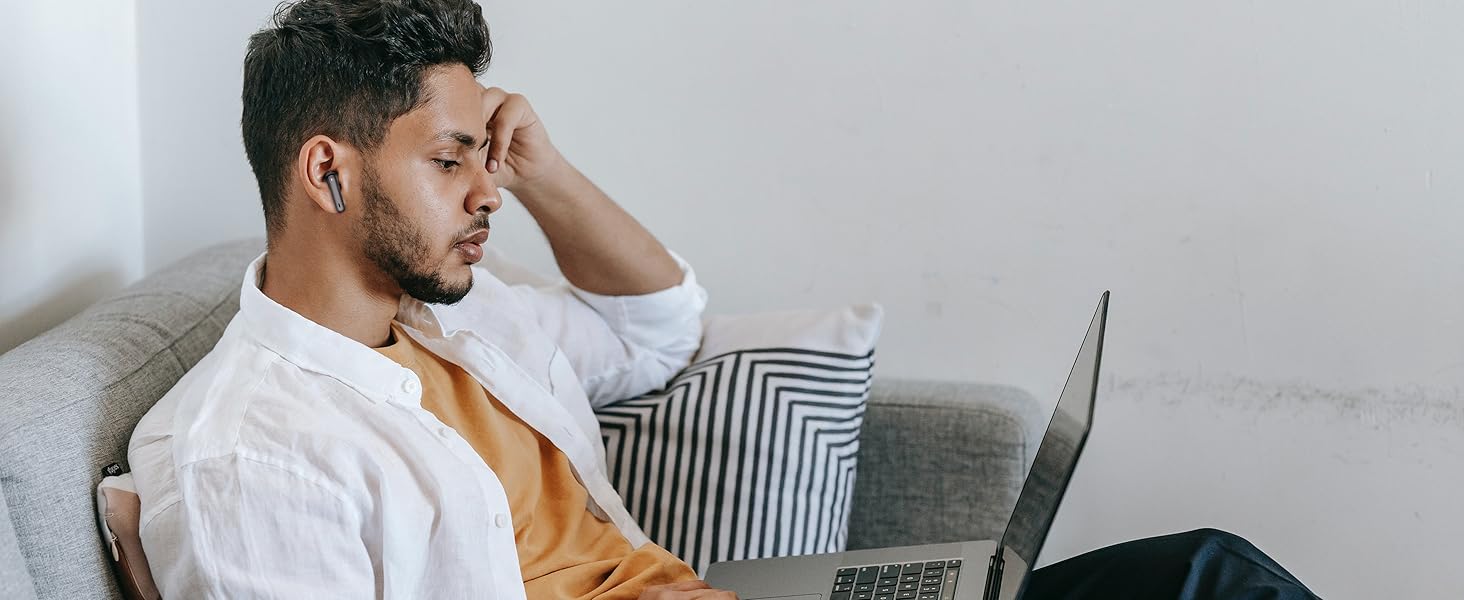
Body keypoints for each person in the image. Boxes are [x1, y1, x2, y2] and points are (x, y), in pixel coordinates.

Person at [125, 1, 1319, 598]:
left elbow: (666, 330)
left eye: (486, 157)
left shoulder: (458, 316)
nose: (483, 193)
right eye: (450, 162)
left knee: (1200, 573)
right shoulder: (252, 460)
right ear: (327, 171)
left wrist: (535, 169)